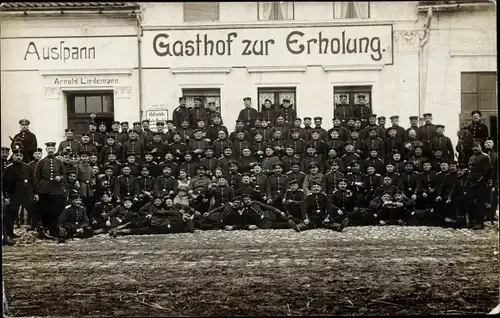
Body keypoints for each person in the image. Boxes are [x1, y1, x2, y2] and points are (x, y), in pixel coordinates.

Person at [2, 148, 37, 244]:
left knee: (33, 211)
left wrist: (36, 193)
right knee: (11, 214)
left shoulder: (27, 167)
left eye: (20, 156)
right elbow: (5, 183)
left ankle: (38, 230)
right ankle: (10, 232)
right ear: (13, 156)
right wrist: (6, 196)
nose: (18, 157)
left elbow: (33, 181)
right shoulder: (8, 168)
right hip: (14, 193)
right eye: (16, 156)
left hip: (27, 193)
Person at [34, 142, 66, 237]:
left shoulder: (59, 162)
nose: (51, 149)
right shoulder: (41, 162)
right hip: (44, 188)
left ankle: (53, 229)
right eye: (49, 148)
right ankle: (43, 230)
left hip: (56, 190)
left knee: (55, 210)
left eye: (52, 148)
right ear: (46, 150)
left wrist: (60, 178)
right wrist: (37, 191)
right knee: (44, 210)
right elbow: (36, 177)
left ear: (55, 149)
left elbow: (64, 175)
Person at [465, 141, 492, 230]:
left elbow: (487, 171)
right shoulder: (471, 157)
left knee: (480, 204)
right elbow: (470, 171)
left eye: (477, 146)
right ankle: (473, 222)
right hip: (471, 183)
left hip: (480, 184)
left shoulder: (485, 157)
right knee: (470, 203)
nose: (475, 148)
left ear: (481, 147)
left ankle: (480, 223)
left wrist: (479, 182)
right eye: (473, 147)